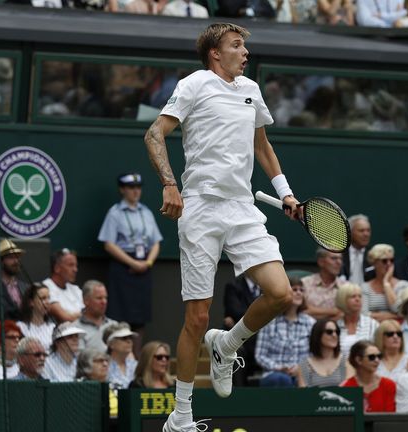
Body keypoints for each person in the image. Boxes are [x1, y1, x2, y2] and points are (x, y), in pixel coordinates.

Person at [145, 23, 303, 432]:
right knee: (197, 318)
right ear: (215, 53)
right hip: (200, 209)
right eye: (236, 45)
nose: (245, 52)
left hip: (242, 209)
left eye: (244, 45)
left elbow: (262, 146)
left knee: (281, 293)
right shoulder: (196, 83)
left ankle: (227, 343)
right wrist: (169, 183)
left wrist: (285, 192)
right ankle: (180, 416)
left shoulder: (250, 89)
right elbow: (154, 132)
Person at [98, 172, 163, 334]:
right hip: (124, 267)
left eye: (138, 187)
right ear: (122, 190)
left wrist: (147, 263)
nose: (135, 191)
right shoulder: (115, 213)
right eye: (131, 187)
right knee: (121, 317)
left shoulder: (146, 212)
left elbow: (156, 243)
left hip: (144, 266)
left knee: (140, 318)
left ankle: (138, 357)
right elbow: (109, 244)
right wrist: (132, 263)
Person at [254, 278, 315, 387]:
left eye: (301, 290)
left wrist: (300, 369)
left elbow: (314, 355)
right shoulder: (269, 322)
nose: (299, 292)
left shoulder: (310, 323)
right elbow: (260, 356)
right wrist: (279, 368)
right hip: (274, 373)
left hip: (302, 373)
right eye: (294, 289)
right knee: (282, 379)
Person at [222, 274, 262, 386]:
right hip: (243, 338)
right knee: (237, 353)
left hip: (267, 337)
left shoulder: (268, 286)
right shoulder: (233, 286)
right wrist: (265, 313)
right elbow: (235, 311)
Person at [341, 340, 397, 412]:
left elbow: (389, 418)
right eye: (372, 357)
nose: (377, 360)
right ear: (358, 360)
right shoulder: (346, 387)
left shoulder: (388, 385)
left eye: (379, 356)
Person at [360, 244, 408, 321]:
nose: (389, 264)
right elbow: (363, 314)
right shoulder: (365, 287)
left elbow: (398, 310)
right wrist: (393, 316)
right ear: (374, 263)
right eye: (384, 261)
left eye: (392, 260)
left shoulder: (403, 285)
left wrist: (386, 283)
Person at [297, 320, 349, 387]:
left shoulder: (346, 362)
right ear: (318, 335)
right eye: (329, 332)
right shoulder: (305, 364)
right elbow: (302, 394)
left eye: (337, 332)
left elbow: (350, 392)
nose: (334, 335)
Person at [336, 282, 379, 357]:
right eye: (353, 297)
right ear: (343, 300)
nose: (357, 299)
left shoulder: (373, 325)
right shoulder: (335, 326)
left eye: (360, 296)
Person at [74, 280, 117, 353]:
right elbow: (80, 360)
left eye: (105, 298)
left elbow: (129, 357)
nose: (104, 302)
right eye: (99, 298)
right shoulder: (75, 329)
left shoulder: (115, 325)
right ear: (86, 301)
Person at [0, 239, 29, 321]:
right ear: (0, 261)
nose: (16, 261)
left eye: (17, 257)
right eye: (11, 257)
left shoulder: (26, 287)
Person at [302, 248, 345, 320]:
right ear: (321, 262)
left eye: (340, 259)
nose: (339, 262)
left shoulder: (346, 287)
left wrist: (313, 311)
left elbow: (344, 314)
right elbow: (303, 311)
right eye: (334, 258)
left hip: (335, 330)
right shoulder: (305, 283)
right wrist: (334, 311)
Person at [43, 248, 83, 323]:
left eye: (76, 265)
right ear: (57, 268)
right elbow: (66, 318)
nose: (75, 269)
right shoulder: (45, 288)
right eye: (71, 265)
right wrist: (82, 315)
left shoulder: (75, 289)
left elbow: (89, 314)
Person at [75, 349, 118, 417]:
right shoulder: (78, 388)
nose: (105, 364)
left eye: (106, 361)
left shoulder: (114, 386)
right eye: (100, 361)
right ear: (86, 364)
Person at [16, 283, 56, 352]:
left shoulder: (53, 328)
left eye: (48, 298)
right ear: (31, 302)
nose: (47, 302)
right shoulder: (19, 327)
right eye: (43, 298)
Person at [341, 214, 373, 285]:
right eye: (361, 231)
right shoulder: (339, 254)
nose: (366, 234)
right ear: (350, 232)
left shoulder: (374, 254)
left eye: (368, 230)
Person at [104, 322, 138, 389]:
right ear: (111, 344)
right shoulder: (104, 366)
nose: (129, 341)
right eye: (124, 338)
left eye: (130, 338)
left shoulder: (136, 365)